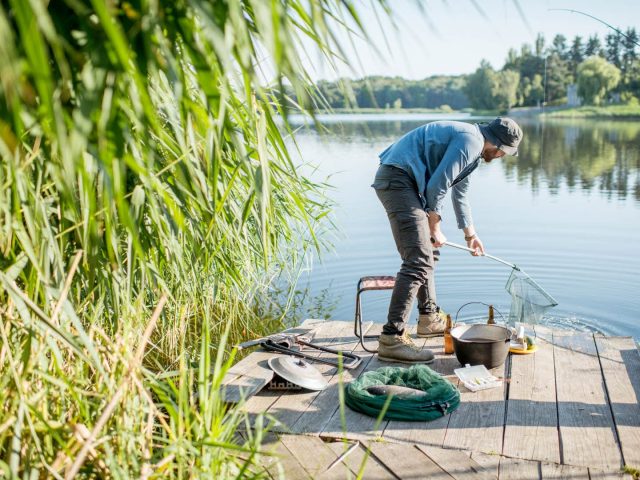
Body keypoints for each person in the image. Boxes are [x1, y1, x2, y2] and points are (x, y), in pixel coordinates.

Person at [372, 117, 523, 363]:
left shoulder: (473, 149)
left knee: (428, 252)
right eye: (504, 152)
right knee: (418, 259)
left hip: (405, 182)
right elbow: (438, 185)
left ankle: (428, 318)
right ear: (499, 146)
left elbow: (460, 194)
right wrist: (435, 225)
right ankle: (392, 338)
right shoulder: (471, 142)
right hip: (398, 180)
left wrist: (471, 235)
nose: (501, 157)